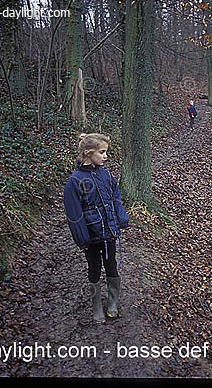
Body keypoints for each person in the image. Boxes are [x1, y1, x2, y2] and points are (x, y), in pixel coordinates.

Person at [63, 133, 130, 323]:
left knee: (112, 267)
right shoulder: (74, 182)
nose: (105, 156)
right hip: (92, 238)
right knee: (94, 269)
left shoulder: (107, 176)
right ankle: (96, 306)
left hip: (109, 234)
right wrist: (82, 238)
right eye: (102, 152)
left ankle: (113, 303)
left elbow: (116, 199)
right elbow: (74, 214)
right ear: (87, 153)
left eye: (105, 152)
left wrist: (121, 219)